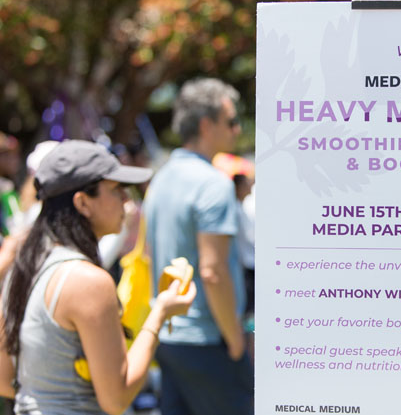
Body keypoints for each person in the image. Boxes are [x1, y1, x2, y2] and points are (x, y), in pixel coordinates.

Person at [0, 140, 196, 415]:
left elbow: (5, 381)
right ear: (82, 202)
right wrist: (160, 314)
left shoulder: (23, 267)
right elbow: (116, 399)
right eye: (116, 190)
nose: (126, 200)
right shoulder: (88, 281)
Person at [143, 77, 252, 415]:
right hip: (207, 339)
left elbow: (148, 254)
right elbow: (213, 271)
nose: (237, 130)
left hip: (169, 336)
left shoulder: (161, 178)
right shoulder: (213, 184)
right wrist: (235, 338)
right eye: (231, 121)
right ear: (206, 125)